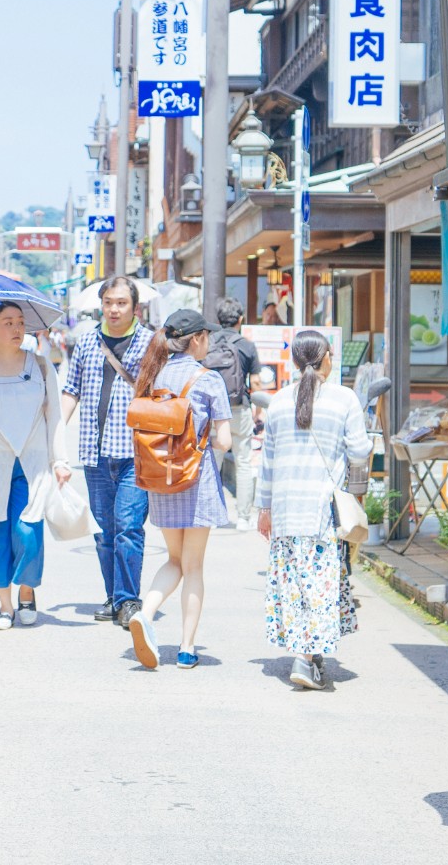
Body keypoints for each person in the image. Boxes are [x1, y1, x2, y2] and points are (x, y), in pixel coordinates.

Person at [254, 331, 367, 690]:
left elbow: (267, 462)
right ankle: (304, 659)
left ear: (294, 362)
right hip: (321, 512)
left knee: (296, 585)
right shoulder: (344, 398)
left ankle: (308, 655)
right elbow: (361, 453)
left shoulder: (279, 402)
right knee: (319, 584)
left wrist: (263, 508)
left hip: (286, 510)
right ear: (326, 359)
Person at [125, 309, 232, 669]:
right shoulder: (209, 379)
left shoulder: (154, 374)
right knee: (194, 566)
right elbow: (225, 441)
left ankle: (146, 612)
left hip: (161, 479)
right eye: (208, 336)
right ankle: (186, 649)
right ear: (197, 337)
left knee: (174, 560)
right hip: (195, 480)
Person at [0, 301, 70, 628]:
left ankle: (28, 593)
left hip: (30, 463)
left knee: (28, 532)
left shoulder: (42, 366)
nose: (16, 328)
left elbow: (55, 417)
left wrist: (59, 460)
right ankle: (5, 606)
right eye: (7, 322)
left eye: (20, 322)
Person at [58, 276, 155, 627]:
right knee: (103, 533)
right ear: (102, 305)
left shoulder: (150, 343)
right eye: (109, 302)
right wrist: (56, 436)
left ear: (135, 307)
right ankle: (114, 595)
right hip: (94, 453)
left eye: (121, 303)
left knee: (128, 527)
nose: (114, 309)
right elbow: (71, 390)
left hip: (136, 451)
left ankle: (129, 600)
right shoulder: (86, 342)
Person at [203, 296, 263, 527]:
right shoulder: (246, 345)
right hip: (239, 410)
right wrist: (258, 412)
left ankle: (212, 515)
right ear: (240, 319)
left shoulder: (208, 342)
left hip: (212, 414)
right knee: (244, 462)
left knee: (212, 463)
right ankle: (243, 518)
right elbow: (256, 383)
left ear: (218, 319)